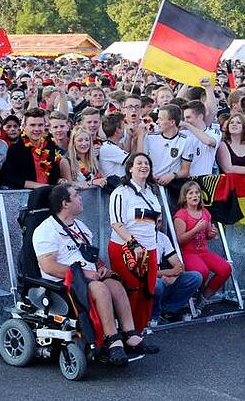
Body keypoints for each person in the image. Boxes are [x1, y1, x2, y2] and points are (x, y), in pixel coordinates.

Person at [32, 185, 157, 364]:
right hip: (64, 283)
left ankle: (130, 335)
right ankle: (111, 340)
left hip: (88, 276)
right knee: (100, 288)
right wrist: (84, 273)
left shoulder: (80, 227)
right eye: (76, 196)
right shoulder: (46, 230)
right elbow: (48, 266)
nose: (81, 199)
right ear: (65, 203)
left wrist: (100, 267)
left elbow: (91, 256)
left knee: (115, 285)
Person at [107, 153, 162, 338]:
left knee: (148, 291)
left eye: (147, 163)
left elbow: (155, 220)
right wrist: (133, 243)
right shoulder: (121, 192)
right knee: (131, 291)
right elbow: (116, 223)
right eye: (139, 163)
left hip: (150, 248)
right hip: (126, 248)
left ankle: (140, 331)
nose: (143, 166)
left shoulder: (152, 192)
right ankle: (125, 333)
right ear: (130, 168)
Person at [172, 181, 231, 307]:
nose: (195, 196)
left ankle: (203, 298)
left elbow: (208, 235)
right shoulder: (181, 214)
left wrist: (212, 233)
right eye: (191, 193)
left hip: (203, 251)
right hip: (188, 253)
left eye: (197, 193)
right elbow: (180, 239)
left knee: (225, 269)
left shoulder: (205, 212)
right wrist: (195, 230)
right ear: (185, 197)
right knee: (202, 271)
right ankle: (194, 294)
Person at [0, 108, 71, 189]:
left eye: (40, 125)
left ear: (45, 126)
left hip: (49, 196)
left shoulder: (50, 145)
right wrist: (37, 186)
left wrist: (59, 180)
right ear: (24, 127)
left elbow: (53, 174)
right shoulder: (16, 149)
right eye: (32, 125)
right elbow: (7, 178)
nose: (37, 129)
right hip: (26, 197)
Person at [152, 228, 202, 324]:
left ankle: (167, 312)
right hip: (145, 284)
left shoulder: (162, 237)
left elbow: (180, 266)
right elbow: (144, 273)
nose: (156, 224)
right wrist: (170, 272)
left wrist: (174, 277)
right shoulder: (135, 238)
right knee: (156, 284)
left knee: (195, 277)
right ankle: (153, 316)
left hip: (163, 280)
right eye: (154, 220)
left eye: (159, 221)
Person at [143, 104, 193, 185]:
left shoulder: (186, 141)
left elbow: (185, 171)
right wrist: (150, 175)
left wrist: (172, 175)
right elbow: (142, 160)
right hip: (150, 182)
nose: (157, 122)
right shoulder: (149, 138)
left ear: (172, 122)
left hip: (172, 185)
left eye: (160, 119)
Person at [67, 125, 107, 189]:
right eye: (80, 140)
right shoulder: (67, 161)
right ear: (73, 142)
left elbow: (103, 178)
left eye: (87, 140)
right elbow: (68, 184)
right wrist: (91, 183)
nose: (84, 143)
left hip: (96, 197)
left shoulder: (93, 160)